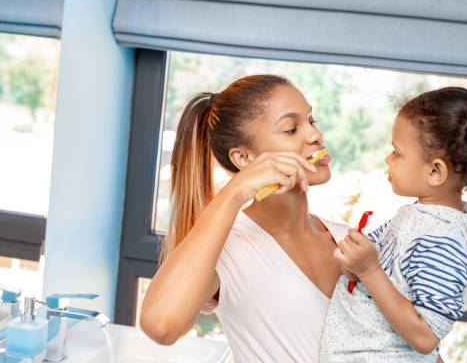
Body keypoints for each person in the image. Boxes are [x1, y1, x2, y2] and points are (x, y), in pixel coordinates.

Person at [140, 74, 348, 362]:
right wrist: (235, 190)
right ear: (244, 159)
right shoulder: (227, 249)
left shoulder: (349, 241)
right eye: (291, 129)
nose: (315, 135)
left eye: (311, 121)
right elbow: (161, 326)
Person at [321, 87, 467, 362]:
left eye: (397, 153)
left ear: (435, 171)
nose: (388, 159)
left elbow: (425, 338)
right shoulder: (422, 217)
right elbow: (388, 273)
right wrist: (357, 268)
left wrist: (369, 269)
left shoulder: (443, 238)